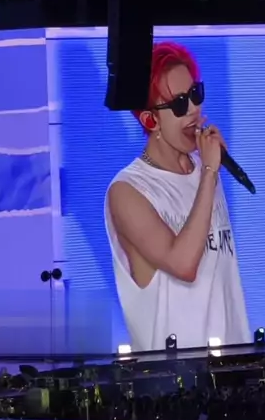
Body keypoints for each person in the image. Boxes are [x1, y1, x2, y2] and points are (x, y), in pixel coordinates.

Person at [104, 41, 251, 351]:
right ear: (150, 120)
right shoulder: (127, 191)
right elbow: (183, 264)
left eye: (196, 94)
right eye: (180, 104)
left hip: (233, 362)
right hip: (173, 373)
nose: (194, 110)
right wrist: (209, 173)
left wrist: (209, 171)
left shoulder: (205, 170)